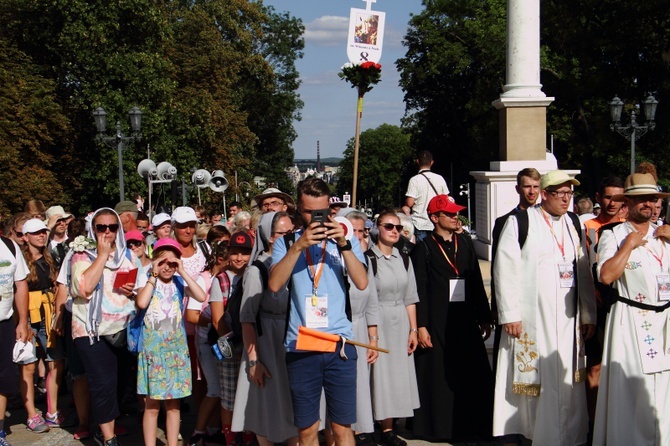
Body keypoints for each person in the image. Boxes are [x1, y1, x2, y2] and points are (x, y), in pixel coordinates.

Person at [492, 170, 597, 445]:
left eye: (569, 194)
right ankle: (538, 437)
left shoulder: (573, 223)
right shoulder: (521, 222)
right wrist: (510, 315)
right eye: (560, 193)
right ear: (546, 194)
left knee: (568, 380)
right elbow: (505, 270)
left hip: (568, 319)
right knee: (539, 382)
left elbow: (583, 270)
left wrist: (589, 313)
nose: (566, 199)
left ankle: (571, 437)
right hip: (533, 318)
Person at [269, 177, 368, 446]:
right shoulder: (287, 242)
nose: (317, 218)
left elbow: (362, 282)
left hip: (340, 345)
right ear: (298, 210)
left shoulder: (344, 241)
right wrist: (299, 245)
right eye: (310, 212)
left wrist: (345, 244)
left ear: (331, 210)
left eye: (322, 212)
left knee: (342, 427)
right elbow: (275, 284)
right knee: (307, 430)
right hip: (301, 345)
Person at [594, 173, 670, 445]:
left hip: (665, 320)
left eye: (653, 200)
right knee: (633, 387)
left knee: (663, 386)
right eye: (642, 200)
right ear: (628, 203)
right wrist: (628, 245)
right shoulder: (613, 235)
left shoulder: (665, 234)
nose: (649, 205)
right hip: (631, 319)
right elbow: (606, 276)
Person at [411, 195, 494, 442]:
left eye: (455, 212)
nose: (455, 216)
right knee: (438, 374)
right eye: (449, 213)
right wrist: (421, 325)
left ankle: (475, 424)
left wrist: (484, 316)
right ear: (434, 218)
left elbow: (476, 281)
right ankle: (438, 427)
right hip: (437, 319)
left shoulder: (466, 243)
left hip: (465, 317)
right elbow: (420, 289)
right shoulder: (423, 248)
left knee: (472, 372)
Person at [69, 208, 147, 446]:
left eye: (112, 227)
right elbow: (83, 289)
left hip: (122, 328)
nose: (107, 232)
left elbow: (143, 290)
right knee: (102, 383)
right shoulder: (81, 256)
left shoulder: (129, 257)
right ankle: (109, 438)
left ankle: (106, 427)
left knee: (119, 381)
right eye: (101, 227)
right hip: (90, 330)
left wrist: (133, 292)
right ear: (93, 229)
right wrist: (101, 256)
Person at [232, 211, 299, 446]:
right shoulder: (256, 270)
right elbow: (247, 319)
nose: (291, 237)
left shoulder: (296, 263)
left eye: (292, 232)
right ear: (270, 237)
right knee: (264, 406)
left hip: (291, 339)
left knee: (293, 406)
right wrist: (254, 361)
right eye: (284, 233)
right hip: (266, 343)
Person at [136, 237, 206, 446]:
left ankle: (173, 443)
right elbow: (141, 302)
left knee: (174, 404)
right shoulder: (147, 279)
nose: (168, 267)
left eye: (172, 263)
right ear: (156, 260)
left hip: (175, 349)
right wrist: (153, 274)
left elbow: (201, 297)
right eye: (163, 261)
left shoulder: (179, 281)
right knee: (152, 405)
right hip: (154, 350)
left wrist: (182, 271)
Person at [367, 211, 419, 446]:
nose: (394, 231)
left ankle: (389, 426)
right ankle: (372, 425)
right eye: (389, 226)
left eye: (398, 227)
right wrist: (373, 334)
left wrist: (414, 330)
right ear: (378, 228)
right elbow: (367, 298)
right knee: (379, 374)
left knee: (398, 374)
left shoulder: (404, 258)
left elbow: (410, 297)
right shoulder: (369, 258)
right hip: (378, 318)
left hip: (401, 320)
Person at [490, 168, 541, 368]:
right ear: (518, 188)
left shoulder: (544, 220)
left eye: (536, 187)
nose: (532, 191)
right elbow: (499, 268)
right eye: (527, 186)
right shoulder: (505, 222)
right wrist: (497, 308)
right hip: (515, 303)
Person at [21, 219, 66, 431]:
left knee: (55, 362)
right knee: (28, 366)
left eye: (43, 232)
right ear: (25, 236)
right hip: (29, 315)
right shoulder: (21, 260)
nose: (41, 235)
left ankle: (52, 411)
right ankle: (31, 413)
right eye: (36, 233)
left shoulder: (49, 258)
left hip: (49, 313)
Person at [210, 231, 254, 446]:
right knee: (229, 396)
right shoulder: (222, 280)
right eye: (235, 253)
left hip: (252, 345)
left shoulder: (255, 274)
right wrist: (231, 348)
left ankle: (247, 434)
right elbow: (218, 320)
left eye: (245, 253)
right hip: (230, 345)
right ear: (228, 253)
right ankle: (229, 437)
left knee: (249, 394)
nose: (239, 258)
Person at [186, 241, 228, 446]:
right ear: (220, 260)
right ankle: (198, 432)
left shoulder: (225, 279)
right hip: (206, 342)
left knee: (222, 388)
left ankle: (213, 429)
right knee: (215, 389)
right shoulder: (203, 281)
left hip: (220, 342)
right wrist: (213, 317)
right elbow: (192, 315)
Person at [0, 225, 31, 446]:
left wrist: (22, 321)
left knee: (3, 378)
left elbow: (20, 283)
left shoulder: (9, 246)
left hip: (4, 322)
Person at [401, 150, 449, 241]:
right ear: (432, 162)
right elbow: (446, 200)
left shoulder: (414, 180)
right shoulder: (440, 178)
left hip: (420, 222)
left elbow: (410, 203)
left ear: (417, 161)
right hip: (437, 222)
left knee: (422, 252)